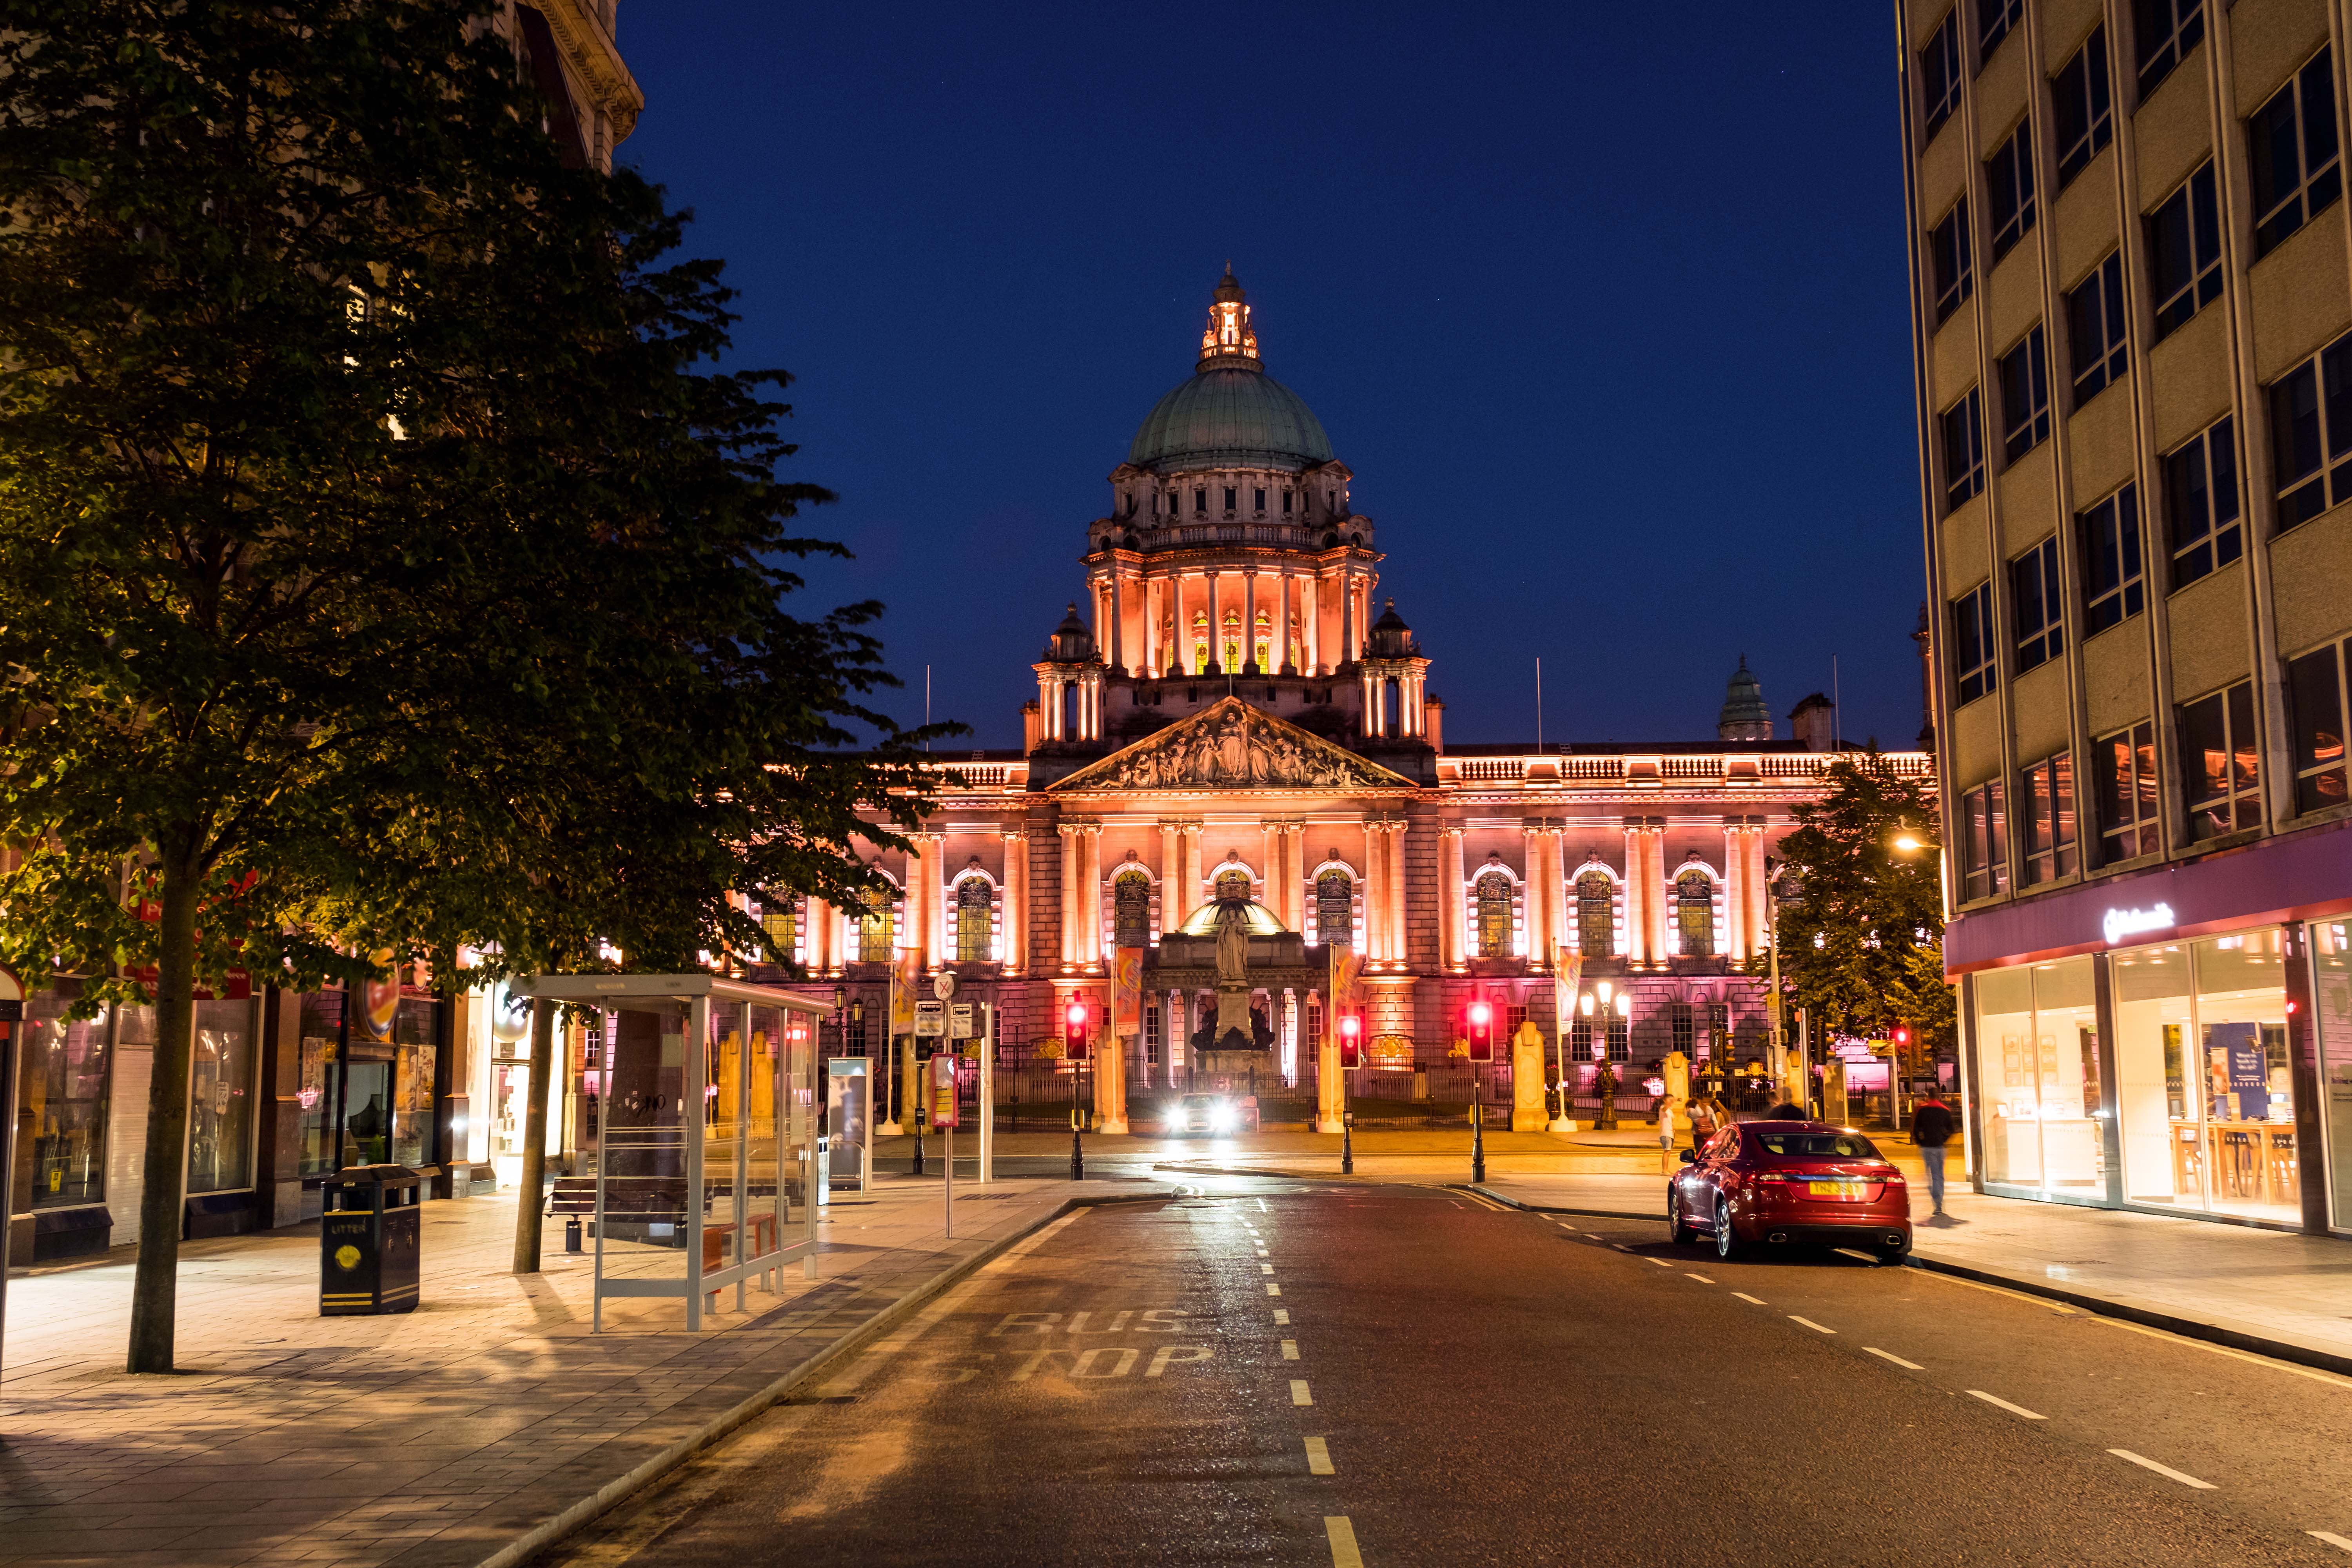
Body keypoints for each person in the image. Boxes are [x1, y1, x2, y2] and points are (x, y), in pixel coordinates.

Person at [1911, 1092, 1957, 1215]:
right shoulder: (1945, 1111)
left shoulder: (1923, 1111)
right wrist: (1944, 1140)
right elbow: (1952, 1129)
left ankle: (1937, 1202)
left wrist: (1921, 1142)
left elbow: (1916, 1129)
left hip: (1927, 1148)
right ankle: (1939, 1202)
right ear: (1939, 1097)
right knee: (1939, 1175)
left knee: (1931, 1176)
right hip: (1940, 1147)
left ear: (1928, 1097)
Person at [1656, 1095, 1682, 1174]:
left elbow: (1671, 1122)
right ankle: (1664, 1170)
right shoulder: (1663, 1108)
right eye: (1669, 1100)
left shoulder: (1670, 1110)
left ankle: (1666, 1169)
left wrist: (1674, 1131)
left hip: (1670, 1133)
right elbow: (1665, 1109)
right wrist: (1670, 1101)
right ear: (1665, 1100)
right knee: (1667, 1152)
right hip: (1665, 1133)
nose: (1671, 1101)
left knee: (1668, 1152)